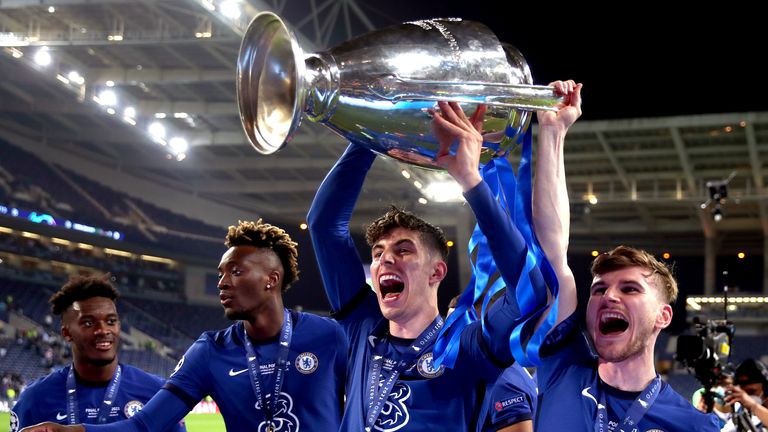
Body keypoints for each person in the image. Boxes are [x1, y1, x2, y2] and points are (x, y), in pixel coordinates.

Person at [306, 95, 569, 430]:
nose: (386, 258)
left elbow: (530, 291)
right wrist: (371, 134)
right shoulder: (363, 329)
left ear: (437, 271)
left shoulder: (465, 348)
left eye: (404, 250)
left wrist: (470, 181)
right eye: (377, 253)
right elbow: (325, 226)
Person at [20, 220, 347, 432]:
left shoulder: (329, 335)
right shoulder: (210, 352)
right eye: (220, 273)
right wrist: (71, 431)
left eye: (234, 271)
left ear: (271, 280)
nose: (221, 283)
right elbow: (145, 426)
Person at [528, 80, 719, 430]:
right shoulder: (564, 368)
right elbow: (552, 251)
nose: (608, 296)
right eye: (599, 289)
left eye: (630, 289)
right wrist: (553, 133)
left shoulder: (697, 426)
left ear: (663, 316)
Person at [10, 275, 185, 432]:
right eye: (88, 323)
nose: (103, 330)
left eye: (111, 321)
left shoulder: (157, 392)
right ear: (66, 333)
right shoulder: (35, 399)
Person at [447, 295, 538, 432]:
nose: (447, 338)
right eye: (447, 328)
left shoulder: (501, 381)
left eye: (456, 329)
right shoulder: (494, 369)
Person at [722, 358, 768, 431]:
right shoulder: (742, 414)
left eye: (751, 392)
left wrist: (754, 406)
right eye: (743, 393)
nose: (746, 398)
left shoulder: (754, 408)